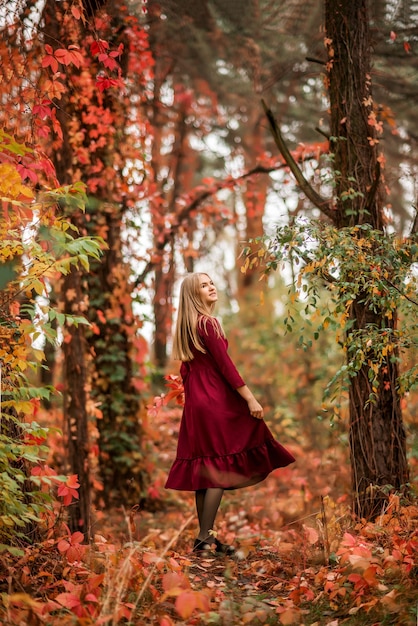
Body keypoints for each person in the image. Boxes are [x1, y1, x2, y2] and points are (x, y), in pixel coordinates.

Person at [165, 272, 295, 555]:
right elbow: (226, 365)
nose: (211, 287)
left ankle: (205, 538)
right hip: (213, 401)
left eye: (211, 282)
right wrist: (250, 399)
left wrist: (196, 400)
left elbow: (187, 371)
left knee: (208, 468)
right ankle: (204, 538)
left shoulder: (188, 328)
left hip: (196, 405)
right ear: (193, 295)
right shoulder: (208, 324)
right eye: (203, 285)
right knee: (219, 470)